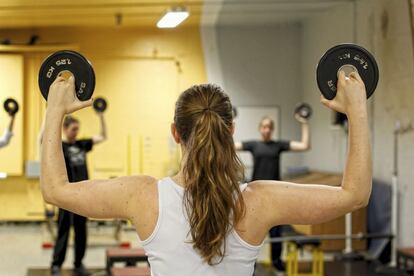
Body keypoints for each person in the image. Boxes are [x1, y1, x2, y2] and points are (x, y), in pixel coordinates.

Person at [40, 72, 371, 276]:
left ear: (175, 133)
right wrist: (357, 110)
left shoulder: (141, 195)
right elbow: (354, 194)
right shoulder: (260, 200)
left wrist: (55, 110)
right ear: (231, 130)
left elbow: (55, 190)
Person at [234, 111, 310, 271]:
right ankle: (250, 265)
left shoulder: (278, 145)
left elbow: (305, 145)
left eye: (269, 127)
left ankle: (277, 261)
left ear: (272, 129)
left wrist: (304, 122)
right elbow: (229, 145)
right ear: (260, 129)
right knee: (251, 232)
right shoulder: (254, 145)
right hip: (255, 195)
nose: (266, 129)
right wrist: (231, 122)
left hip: (276, 195)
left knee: (276, 233)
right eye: (264, 127)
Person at [40, 110, 107, 276]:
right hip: (65, 195)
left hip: (83, 195)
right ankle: (56, 265)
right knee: (63, 230)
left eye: (78, 129)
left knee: (81, 231)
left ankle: (78, 263)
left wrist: (101, 115)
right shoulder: (60, 146)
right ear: (65, 129)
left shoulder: (82, 144)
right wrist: (52, 113)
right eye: (73, 129)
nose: (76, 132)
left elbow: (103, 136)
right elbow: (43, 139)